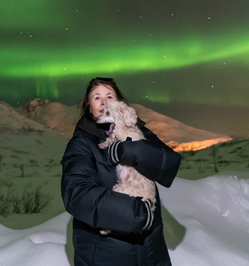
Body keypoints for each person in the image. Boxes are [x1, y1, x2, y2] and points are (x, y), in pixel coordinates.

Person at [61, 77, 181, 266]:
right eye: (96, 98)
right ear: (88, 106)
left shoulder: (139, 132)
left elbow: (170, 163)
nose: (104, 102)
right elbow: (77, 194)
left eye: (109, 96)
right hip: (107, 255)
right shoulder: (81, 143)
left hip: (151, 251)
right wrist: (137, 213)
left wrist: (132, 151)